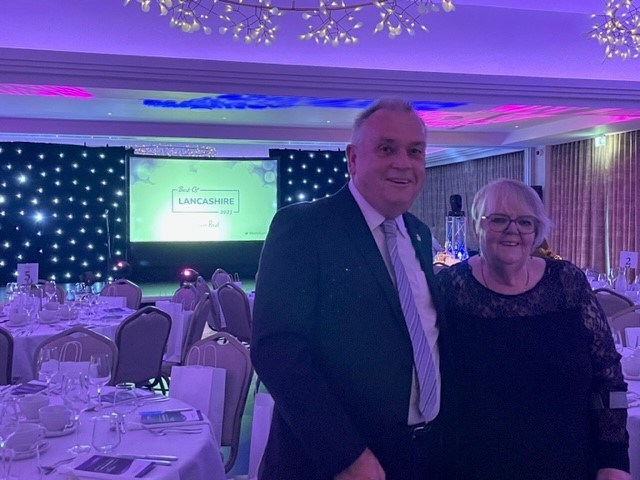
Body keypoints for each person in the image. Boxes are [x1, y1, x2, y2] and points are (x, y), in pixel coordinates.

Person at [251, 97, 449, 480]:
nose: (403, 163)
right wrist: (346, 456)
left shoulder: (420, 236)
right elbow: (277, 350)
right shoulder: (305, 227)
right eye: (386, 148)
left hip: (419, 454)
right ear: (353, 159)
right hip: (332, 462)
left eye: (415, 151)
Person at [437, 178, 630, 480]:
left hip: (570, 465)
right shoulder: (451, 290)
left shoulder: (567, 282)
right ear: (477, 226)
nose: (512, 229)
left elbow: (608, 375)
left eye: (525, 221)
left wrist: (615, 459)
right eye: (499, 219)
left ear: (537, 231)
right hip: (474, 468)